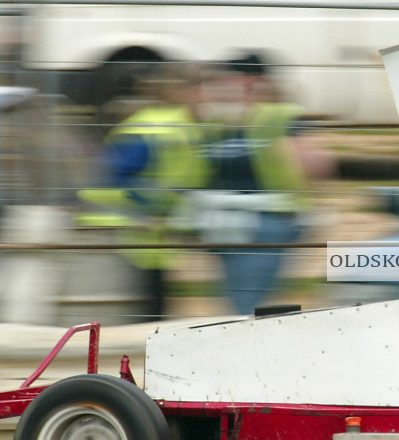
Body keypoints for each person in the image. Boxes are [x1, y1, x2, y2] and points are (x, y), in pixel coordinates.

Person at [197, 52, 333, 314]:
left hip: (265, 220)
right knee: (242, 302)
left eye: (225, 80)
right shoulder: (218, 120)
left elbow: (316, 165)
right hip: (226, 222)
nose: (217, 87)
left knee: (246, 304)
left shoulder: (278, 116)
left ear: (249, 81)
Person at [77, 62, 212, 319]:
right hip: (124, 233)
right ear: (185, 92)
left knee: (147, 312)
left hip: (147, 237)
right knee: (129, 316)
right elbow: (114, 180)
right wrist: (152, 209)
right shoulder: (159, 127)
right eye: (203, 90)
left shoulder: (181, 126)